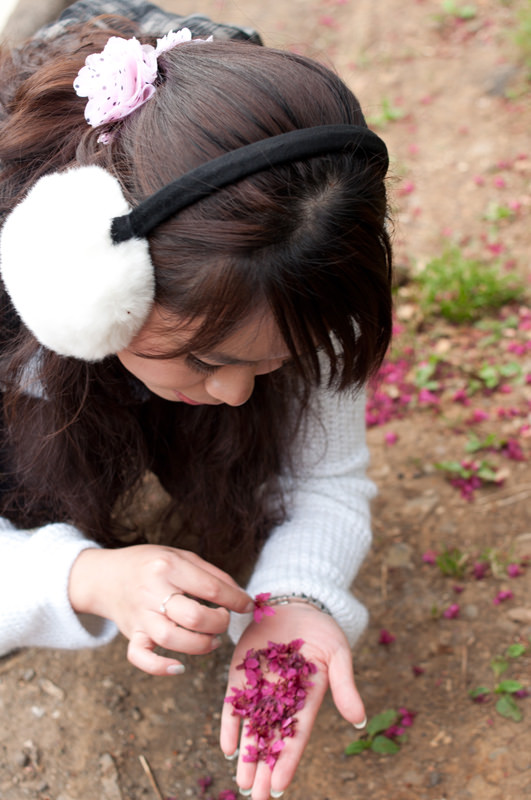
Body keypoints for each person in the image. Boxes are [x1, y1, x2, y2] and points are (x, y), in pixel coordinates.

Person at [0, 1, 392, 798]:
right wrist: (82, 578)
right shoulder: (45, 285)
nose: (237, 391)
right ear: (89, 292)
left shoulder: (293, 246)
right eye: (206, 357)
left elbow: (327, 481)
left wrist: (295, 600)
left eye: (273, 361)